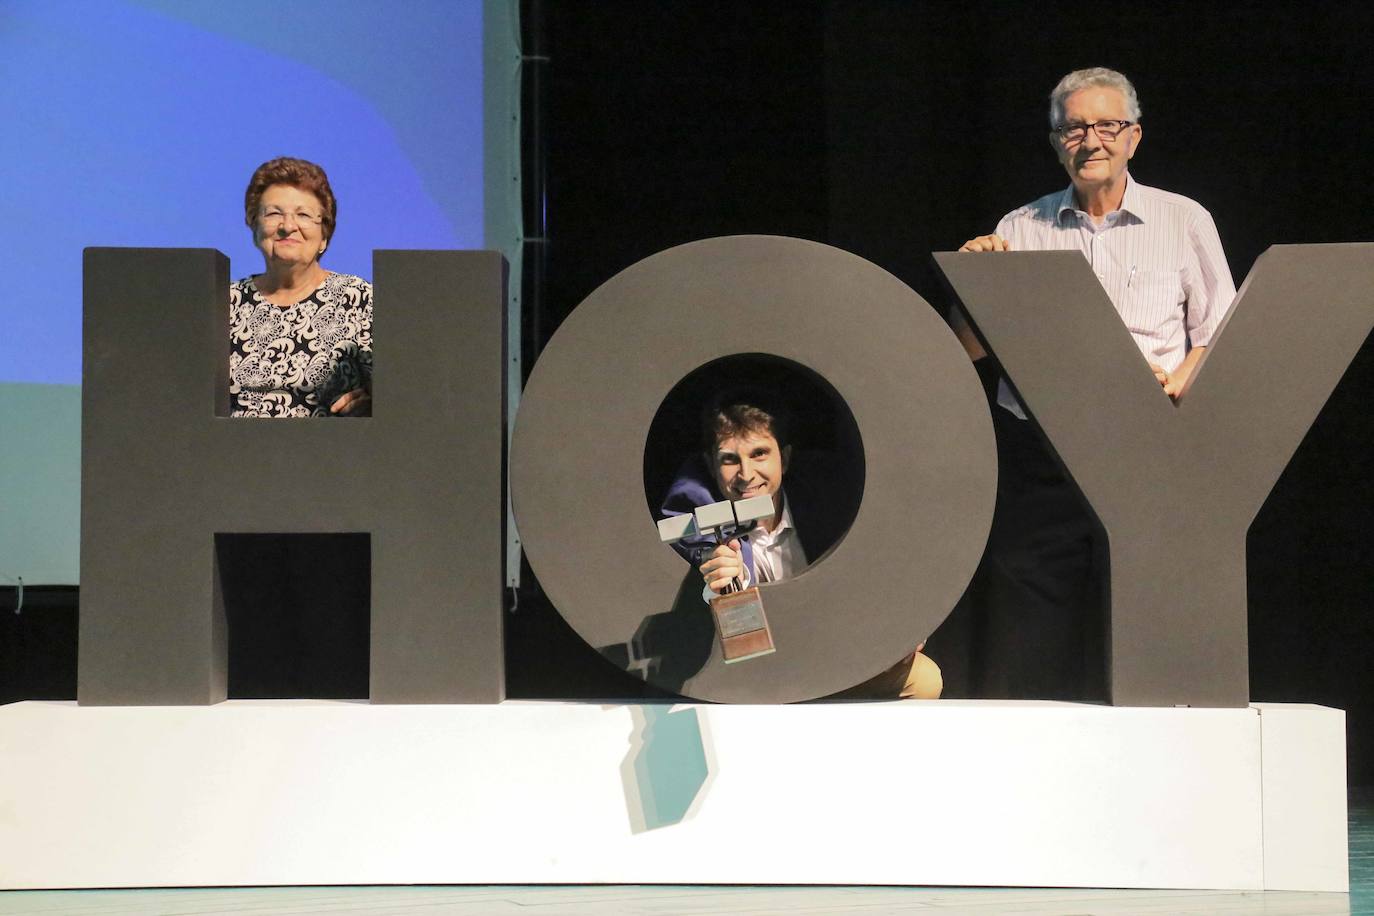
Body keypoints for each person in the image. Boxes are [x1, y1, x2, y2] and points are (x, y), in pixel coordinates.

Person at [942, 67, 1236, 700]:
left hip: (1147, 446)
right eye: (1074, 127)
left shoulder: (1183, 221)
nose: (1091, 139)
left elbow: (1221, 332)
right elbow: (965, 350)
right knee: (1033, 629)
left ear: (1134, 137)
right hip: (1041, 456)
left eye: (1108, 125)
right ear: (1056, 142)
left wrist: (1175, 387)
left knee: (1146, 622)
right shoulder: (1020, 228)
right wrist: (973, 288)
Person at [661, 390, 942, 700]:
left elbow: (875, 566)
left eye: (759, 454)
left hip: (830, 650)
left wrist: (906, 622)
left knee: (923, 679)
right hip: (753, 674)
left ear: (786, 457)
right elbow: (706, 586)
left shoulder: (828, 502)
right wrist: (721, 580)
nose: (745, 474)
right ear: (711, 466)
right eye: (730, 459)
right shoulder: (697, 517)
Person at [230, 157, 372, 417]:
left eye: (303, 215)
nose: (287, 226)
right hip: (229, 455)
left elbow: (399, 393)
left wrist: (373, 406)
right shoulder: (225, 302)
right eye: (273, 213)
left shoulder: (358, 298)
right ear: (254, 225)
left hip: (329, 454)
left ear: (324, 234)